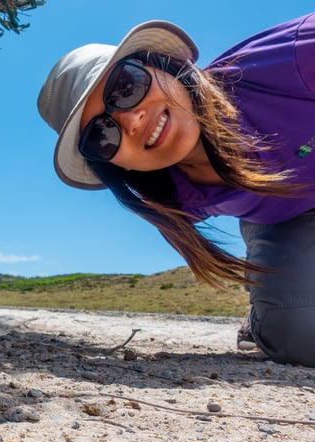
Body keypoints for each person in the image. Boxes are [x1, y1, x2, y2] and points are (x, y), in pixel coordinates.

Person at [37, 14, 315, 366]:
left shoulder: (290, 58)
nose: (132, 120)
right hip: (287, 216)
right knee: (298, 336)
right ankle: (264, 319)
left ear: (160, 65)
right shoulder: (175, 196)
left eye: (126, 87)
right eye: (102, 135)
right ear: (116, 165)